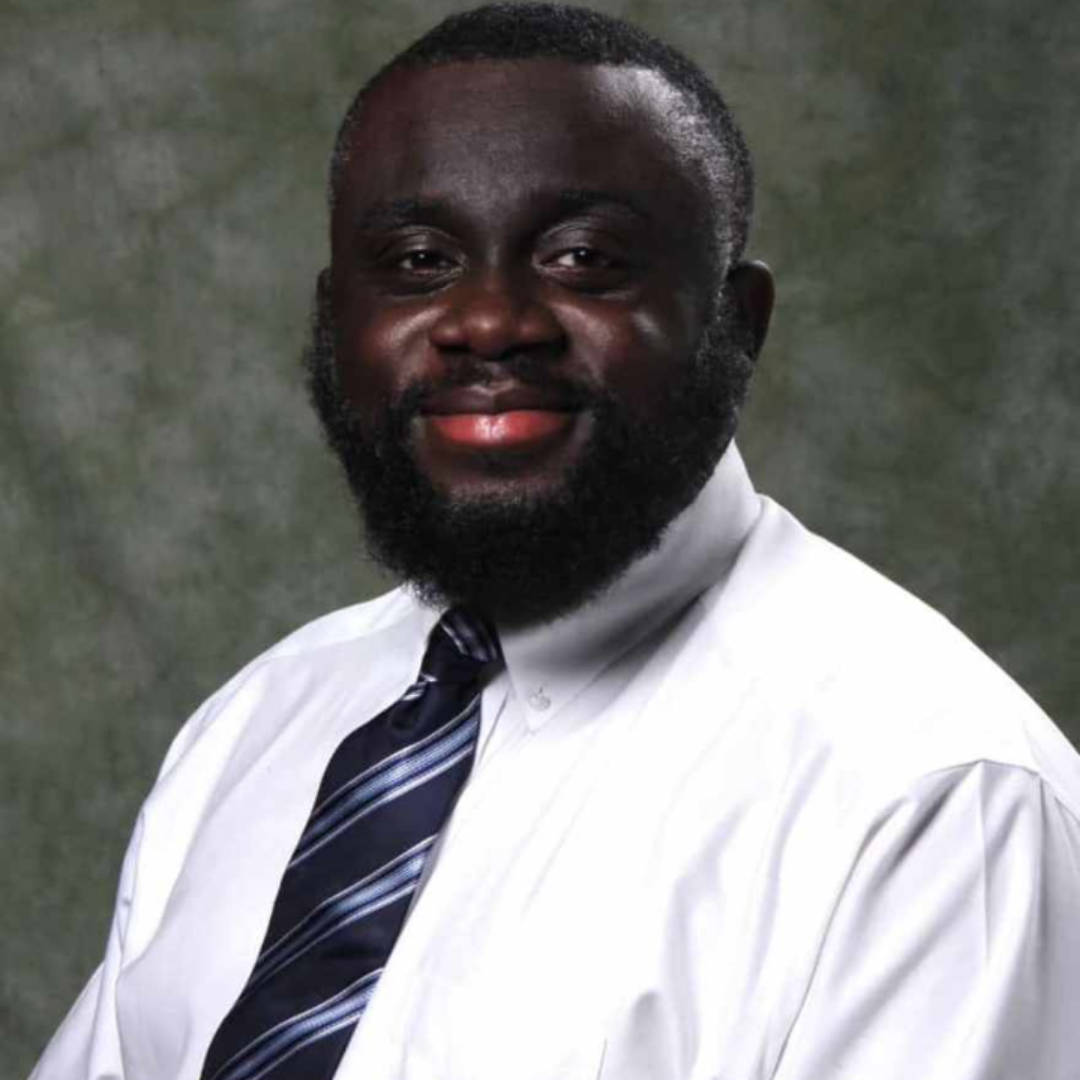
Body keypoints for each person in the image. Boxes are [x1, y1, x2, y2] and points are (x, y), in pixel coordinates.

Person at [32, 5, 1080, 1079]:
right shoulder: (253, 730)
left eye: (583, 258)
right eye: (419, 259)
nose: (490, 322)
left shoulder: (933, 799)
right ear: (334, 324)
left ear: (739, 323)